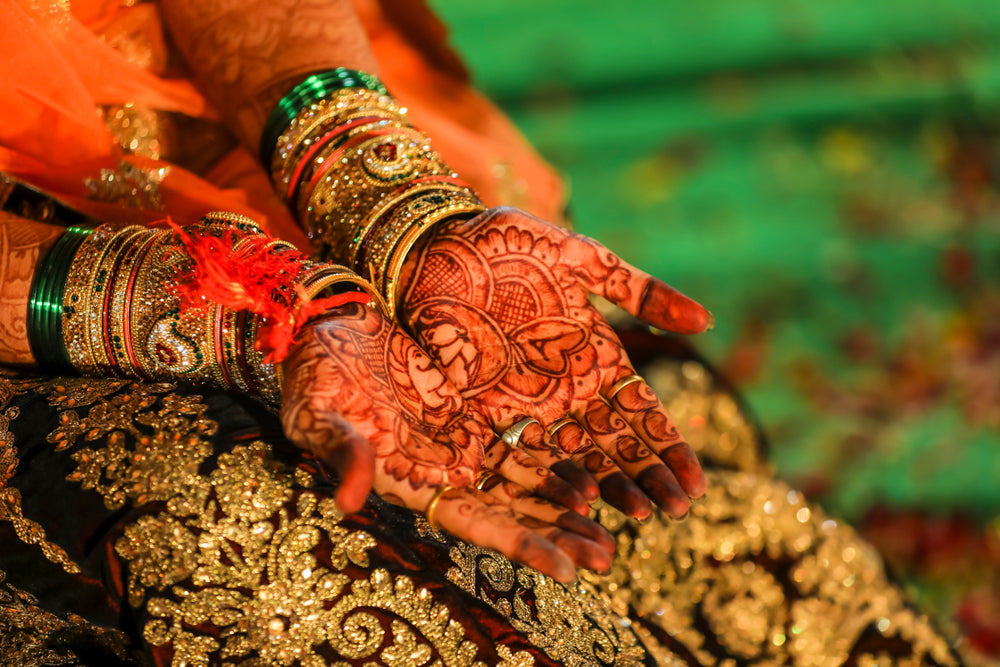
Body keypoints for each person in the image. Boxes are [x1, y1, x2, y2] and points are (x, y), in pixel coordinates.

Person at [0, 0, 964, 664]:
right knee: (258, 528)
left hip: (184, 137)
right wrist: (239, 314)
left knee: (655, 491)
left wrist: (394, 211)